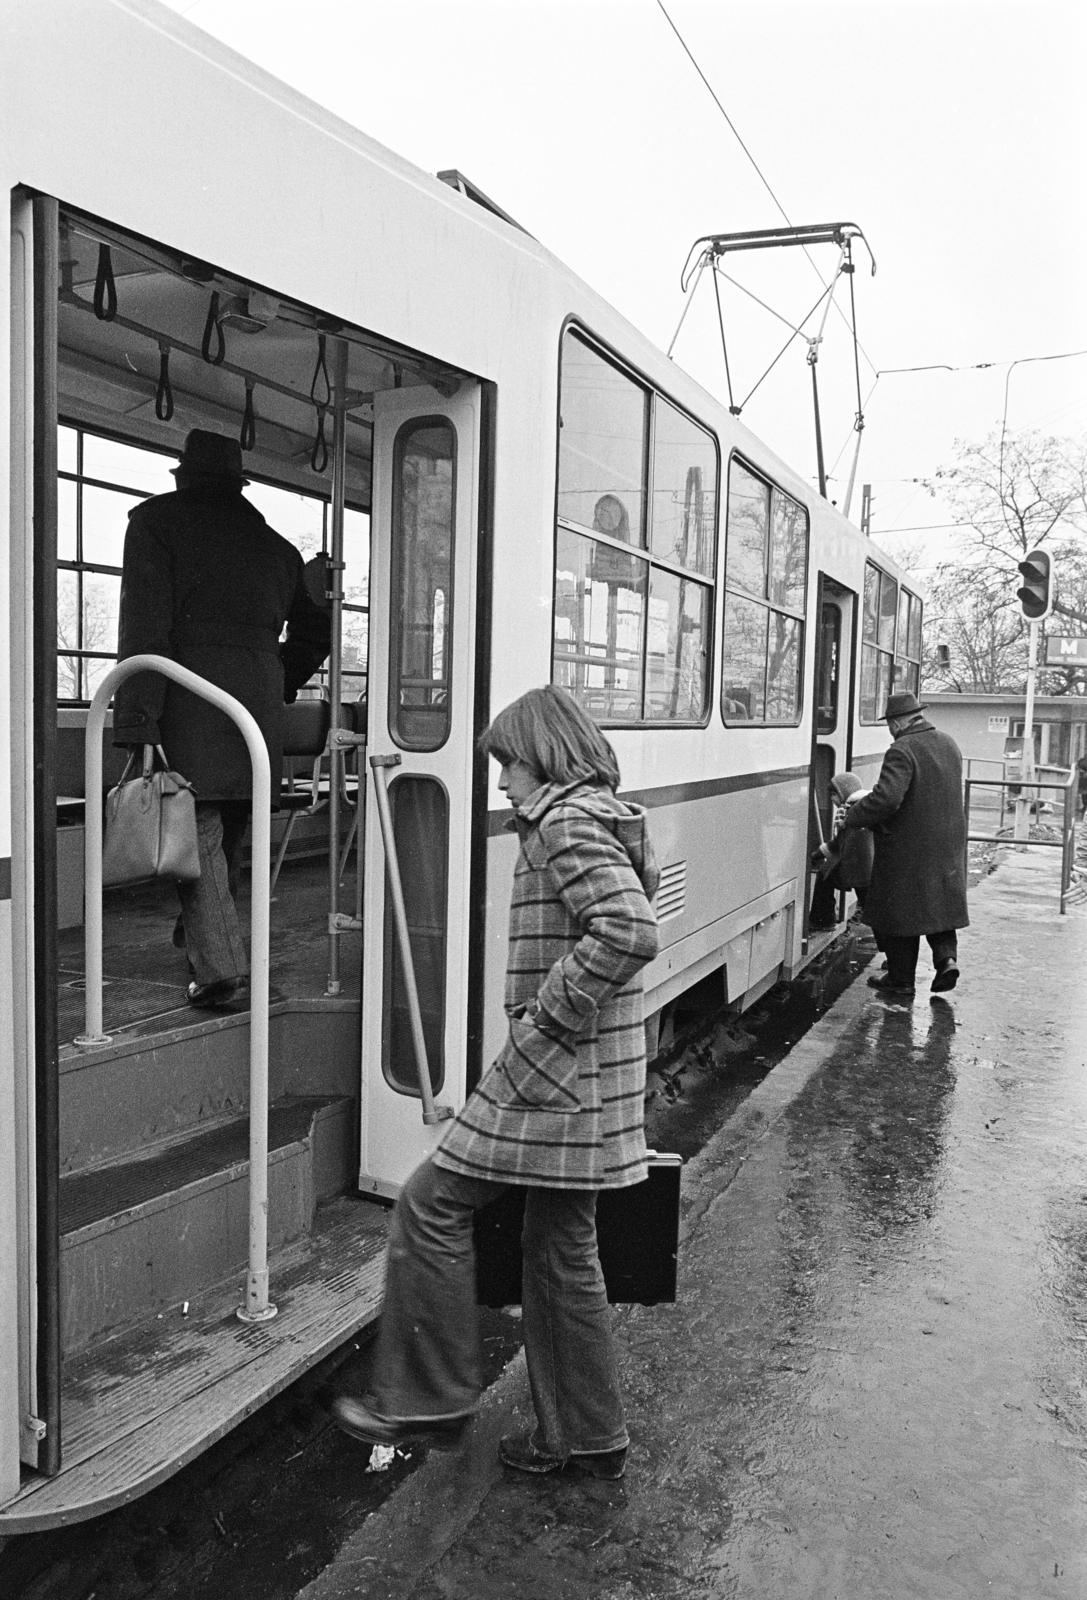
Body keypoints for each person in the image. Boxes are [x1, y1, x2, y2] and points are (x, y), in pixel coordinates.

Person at [330, 685, 660, 1481]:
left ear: (541, 755)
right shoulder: (605, 812)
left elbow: (627, 931)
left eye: (507, 762)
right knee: (558, 1243)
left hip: (553, 1073)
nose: (502, 780)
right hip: (591, 1076)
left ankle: (426, 1401)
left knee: (429, 1203)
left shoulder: (566, 822)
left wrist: (546, 1016)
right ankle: (586, 1434)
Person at [113, 429, 331, 1009]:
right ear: (238, 483)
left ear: (184, 477)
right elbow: (317, 631)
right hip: (256, 710)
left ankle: (220, 971)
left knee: (198, 831)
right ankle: (205, 938)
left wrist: (138, 721)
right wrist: (274, 678)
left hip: (188, 700)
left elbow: (144, 629)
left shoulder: (156, 525)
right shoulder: (280, 550)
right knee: (227, 830)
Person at [839, 691, 968, 998]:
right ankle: (946, 960)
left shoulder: (902, 748)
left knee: (897, 913)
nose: (890, 731)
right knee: (938, 906)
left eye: (889, 725)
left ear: (897, 723)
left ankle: (900, 980)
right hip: (948, 842)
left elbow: (887, 798)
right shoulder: (949, 743)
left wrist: (853, 816)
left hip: (908, 847)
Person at [810, 770, 875, 927]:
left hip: (857, 865)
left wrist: (818, 854)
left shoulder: (850, 811)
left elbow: (840, 842)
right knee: (865, 893)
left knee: (825, 878)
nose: (832, 799)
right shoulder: (864, 806)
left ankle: (822, 920)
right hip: (864, 866)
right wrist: (821, 852)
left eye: (834, 795)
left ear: (843, 792)